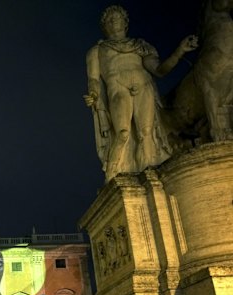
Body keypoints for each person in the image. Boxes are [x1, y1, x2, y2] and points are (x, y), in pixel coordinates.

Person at [83, 5, 197, 182]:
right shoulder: (96, 51)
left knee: (146, 133)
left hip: (143, 86)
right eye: (110, 20)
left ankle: (151, 174)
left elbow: (159, 70)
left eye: (118, 18)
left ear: (125, 22)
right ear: (104, 25)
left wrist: (179, 51)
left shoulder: (140, 46)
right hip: (118, 89)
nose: (115, 22)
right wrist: (94, 94)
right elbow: (94, 79)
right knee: (122, 133)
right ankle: (112, 171)